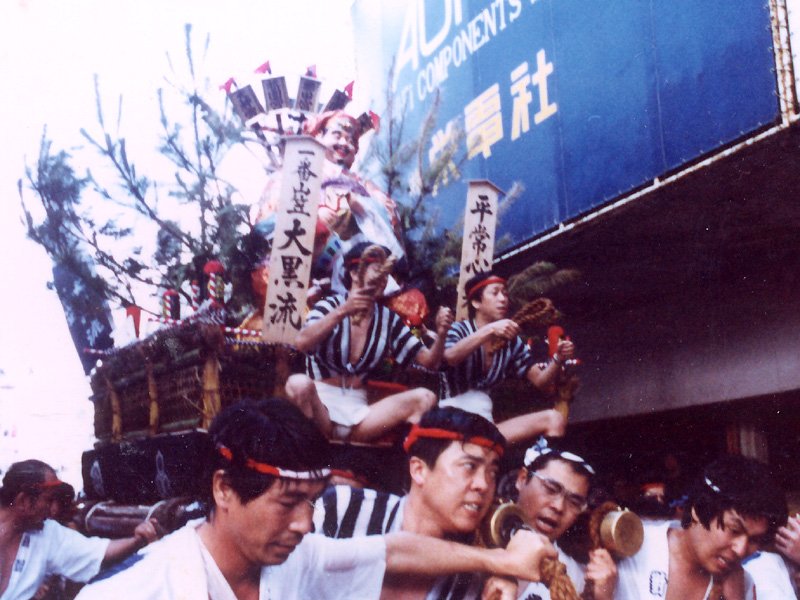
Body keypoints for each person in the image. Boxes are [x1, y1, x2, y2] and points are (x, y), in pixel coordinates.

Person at [76, 398, 558, 600]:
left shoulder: (295, 561)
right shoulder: (130, 592)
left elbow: (393, 551)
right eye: (288, 502)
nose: (306, 523)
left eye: (312, 501)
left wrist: (505, 563)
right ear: (224, 488)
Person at [314, 406, 506, 598]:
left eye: (492, 473)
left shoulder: (472, 583)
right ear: (419, 470)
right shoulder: (343, 507)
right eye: (469, 466)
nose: (484, 484)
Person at [286, 241, 454, 442]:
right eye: (377, 271)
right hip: (320, 409)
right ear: (354, 273)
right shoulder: (329, 306)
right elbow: (302, 343)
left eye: (386, 274)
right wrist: (344, 311)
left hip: (361, 414)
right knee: (298, 384)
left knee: (425, 398)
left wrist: (442, 334)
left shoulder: (388, 319)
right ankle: (311, 447)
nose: (384, 279)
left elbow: (429, 362)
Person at [614, 455, 788, 600]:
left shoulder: (741, 585)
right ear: (698, 509)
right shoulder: (631, 547)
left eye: (754, 539)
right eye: (734, 530)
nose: (740, 549)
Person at [439, 271, 575, 444]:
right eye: (495, 293)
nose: (503, 299)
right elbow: (449, 357)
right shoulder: (459, 330)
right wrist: (490, 330)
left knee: (554, 419)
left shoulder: (512, 342)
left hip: (484, 424)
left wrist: (558, 358)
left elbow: (540, 381)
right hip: (451, 419)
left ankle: (548, 460)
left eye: (504, 293)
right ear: (476, 302)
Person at [0, 460, 159, 600]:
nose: (52, 510)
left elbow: (97, 553)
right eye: (49, 500)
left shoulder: (47, 533)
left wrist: (137, 539)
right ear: (25, 501)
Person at [483, 437, 617, 600]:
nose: (559, 507)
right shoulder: (473, 540)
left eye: (574, 502)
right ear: (522, 479)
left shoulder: (573, 578)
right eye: (551, 489)